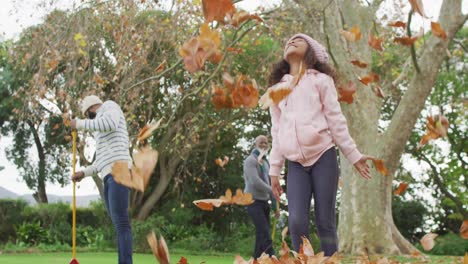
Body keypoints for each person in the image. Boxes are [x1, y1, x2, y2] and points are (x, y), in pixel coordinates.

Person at [267, 34, 372, 256]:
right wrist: (274, 170)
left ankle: (331, 260)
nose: (291, 41)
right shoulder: (276, 90)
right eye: (288, 41)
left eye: (298, 40)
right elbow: (277, 132)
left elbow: (336, 121)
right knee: (296, 221)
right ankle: (302, 261)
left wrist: (353, 155)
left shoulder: (321, 81)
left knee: (325, 219)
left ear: (311, 51)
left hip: (323, 156)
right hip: (295, 164)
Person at [70, 95, 133, 264]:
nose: (87, 119)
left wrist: (79, 124)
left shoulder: (110, 107)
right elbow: (101, 161)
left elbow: (109, 124)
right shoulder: (100, 132)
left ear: (90, 110)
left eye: (86, 116)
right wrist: (84, 173)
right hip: (108, 175)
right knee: (119, 225)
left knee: (122, 223)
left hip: (119, 170)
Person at [243, 135, 279, 259]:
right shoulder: (250, 161)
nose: (264, 144)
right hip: (252, 202)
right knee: (265, 233)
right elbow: (255, 181)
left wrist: (275, 206)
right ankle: (273, 258)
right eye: (261, 142)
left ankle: (256, 260)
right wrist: (272, 190)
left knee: (260, 236)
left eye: (266, 142)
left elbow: (268, 184)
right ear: (255, 144)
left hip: (264, 203)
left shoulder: (266, 162)